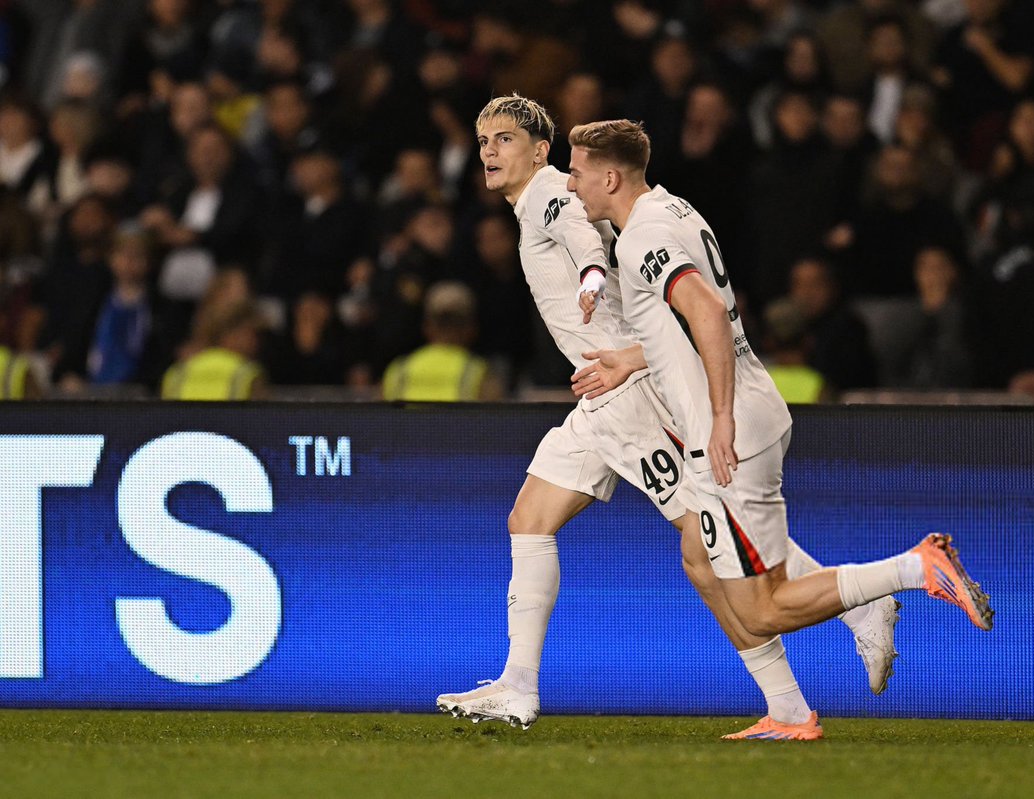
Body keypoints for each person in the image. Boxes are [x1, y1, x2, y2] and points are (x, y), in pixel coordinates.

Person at [436, 94, 899, 741]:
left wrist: (596, 276)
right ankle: (517, 683)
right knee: (531, 517)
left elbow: (581, 235)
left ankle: (835, 638)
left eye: (505, 138)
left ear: (541, 151)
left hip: (628, 397)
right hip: (601, 396)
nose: (489, 150)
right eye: (483, 138)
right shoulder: (542, 199)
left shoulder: (547, 193)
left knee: (705, 545)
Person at [565, 119, 993, 736]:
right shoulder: (674, 210)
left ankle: (911, 570)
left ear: (609, 177)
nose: (573, 185)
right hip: (745, 410)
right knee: (699, 556)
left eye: (578, 172)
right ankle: (789, 710)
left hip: (730, 426)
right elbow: (691, 319)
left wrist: (716, 420)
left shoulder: (640, 240)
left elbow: (708, 311)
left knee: (763, 610)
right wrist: (633, 359)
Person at [380, 280, 502, 402]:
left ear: (427, 327)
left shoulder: (398, 370)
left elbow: (376, 418)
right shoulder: (480, 372)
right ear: (471, 329)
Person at [160, 298, 266, 400]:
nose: (256, 342)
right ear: (231, 333)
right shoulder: (248, 374)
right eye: (253, 334)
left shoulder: (176, 373)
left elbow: (162, 416)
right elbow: (262, 417)